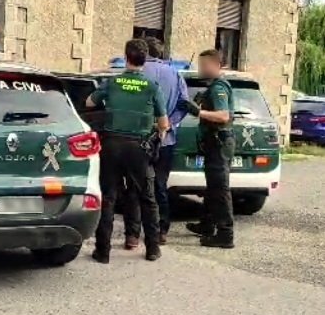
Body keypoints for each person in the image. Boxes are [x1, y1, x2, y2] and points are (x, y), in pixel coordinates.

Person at [86, 39, 170, 263]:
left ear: (126, 57)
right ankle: (152, 248)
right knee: (147, 198)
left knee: (108, 197)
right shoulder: (152, 86)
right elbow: (164, 123)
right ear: (145, 60)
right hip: (138, 148)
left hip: (112, 146)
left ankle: (103, 251)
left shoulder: (112, 82)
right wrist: (158, 132)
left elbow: (90, 102)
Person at [121, 37, 190, 249]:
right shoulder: (175, 74)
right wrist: (169, 124)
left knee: (135, 187)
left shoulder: (137, 73)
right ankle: (161, 231)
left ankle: (133, 235)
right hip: (165, 140)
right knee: (160, 186)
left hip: (138, 138)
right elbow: (184, 104)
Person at [182, 49, 236, 248]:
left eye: (205, 65)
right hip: (214, 142)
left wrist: (199, 112)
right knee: (213, 187)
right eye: (200, 64)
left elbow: (223, 116)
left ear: (217, 65)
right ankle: (207, 225)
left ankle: (225, 234)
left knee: (220, 188)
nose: (201, 68)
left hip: (219, 142)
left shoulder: (218, 87)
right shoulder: (212, 87)